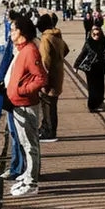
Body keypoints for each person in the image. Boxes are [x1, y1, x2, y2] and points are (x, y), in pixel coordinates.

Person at [6, 16, 48, 197]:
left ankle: (32, 182)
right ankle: (27, 174)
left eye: (13, 30)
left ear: (21, 33)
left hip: (26, 104)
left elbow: (41, 78)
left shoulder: (30, 51)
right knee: (24, 142)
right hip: (17, 103)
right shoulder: (22, 50)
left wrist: (22, 90)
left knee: (30, 144)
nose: (10, 33)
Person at [36, 13, 69, 142]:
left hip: (50, 78)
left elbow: (45, 61)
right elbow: (66, 50)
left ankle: (49, 132)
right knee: (52, 105)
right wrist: (58, 60)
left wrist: (43, 79)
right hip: (58, 74)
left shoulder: (45, 39)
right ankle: (46, 128)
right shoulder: (57, 35)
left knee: (48, 105)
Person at [78, 23, 105, 112]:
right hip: (90, 68)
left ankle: (99, 102)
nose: (96, 36)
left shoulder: (103, 43)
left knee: (100, 86)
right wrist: (76, 65)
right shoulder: (88, 43)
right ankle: (91, 106)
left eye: (98, 34)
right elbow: (82, 54)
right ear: (91, 34)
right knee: (92, 87)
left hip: (101, 67)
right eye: (94, 34)